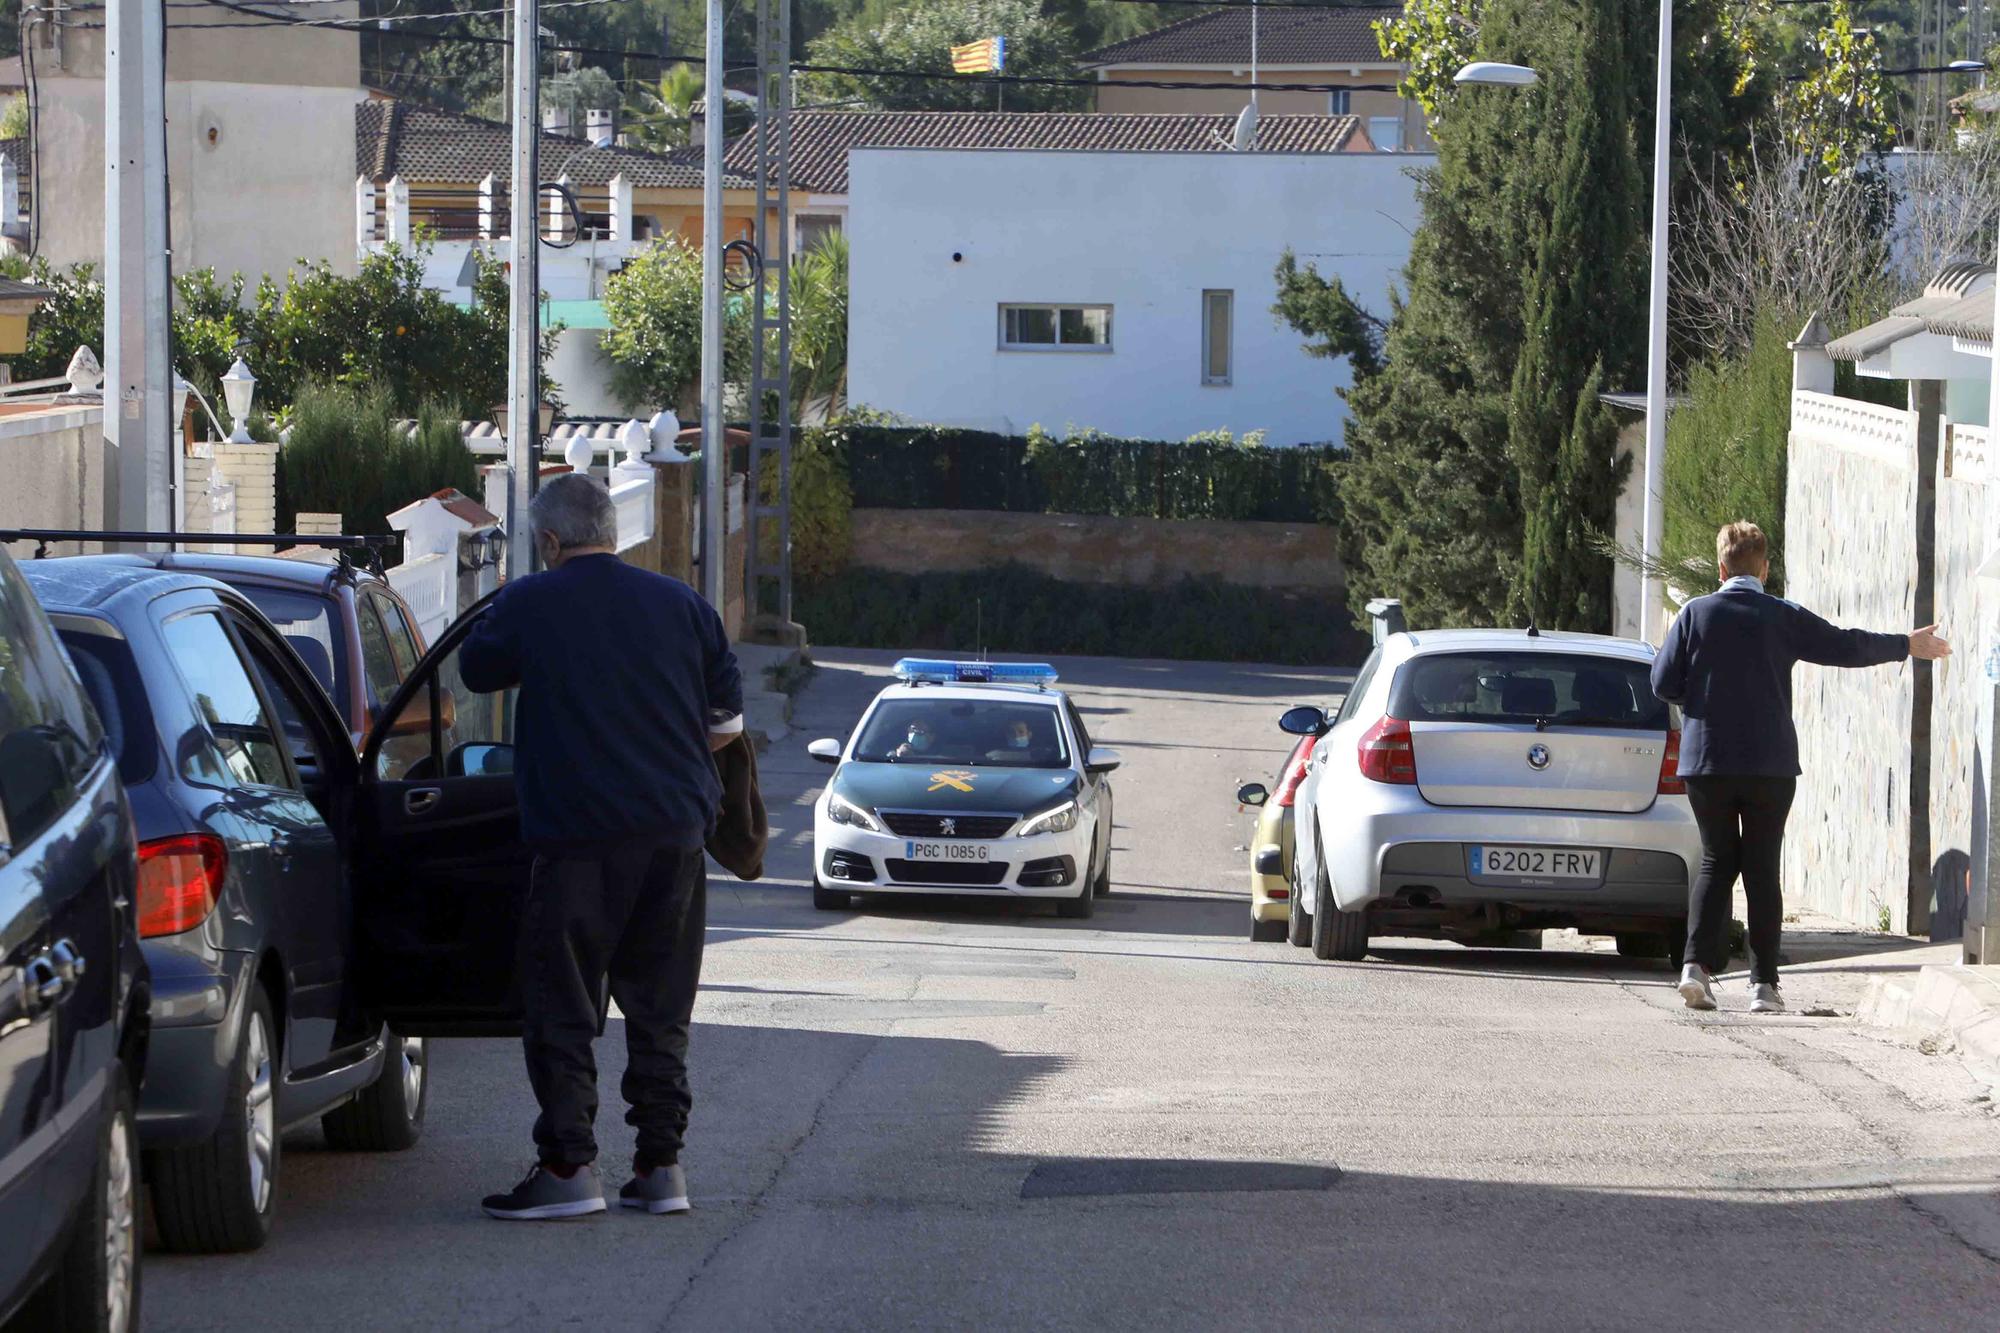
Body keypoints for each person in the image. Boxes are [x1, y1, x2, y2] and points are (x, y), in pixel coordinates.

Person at [458, 472, 742, 1221]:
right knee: (659, 1008)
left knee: (564, 1002)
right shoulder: (687, 606)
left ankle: (567, 1166)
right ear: (613, 531)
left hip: (579, 836)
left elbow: (476, 670)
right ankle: (661, 1167)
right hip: (677, 833)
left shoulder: (532, 601)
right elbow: (727, 725)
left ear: (549, 542)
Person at [1650, 521, 1950, 1014]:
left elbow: (1663, 683)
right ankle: (1763, 986)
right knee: (1762, 867)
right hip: (1770, 764)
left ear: (1721, 568)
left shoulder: (1694, 614)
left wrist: (1703, 700)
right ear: (1764, 570)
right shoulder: (1781, 616)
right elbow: (1845, 645)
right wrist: (1905, 644)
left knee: (1715, 861)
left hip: (1707, 763)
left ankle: (1694, 969)